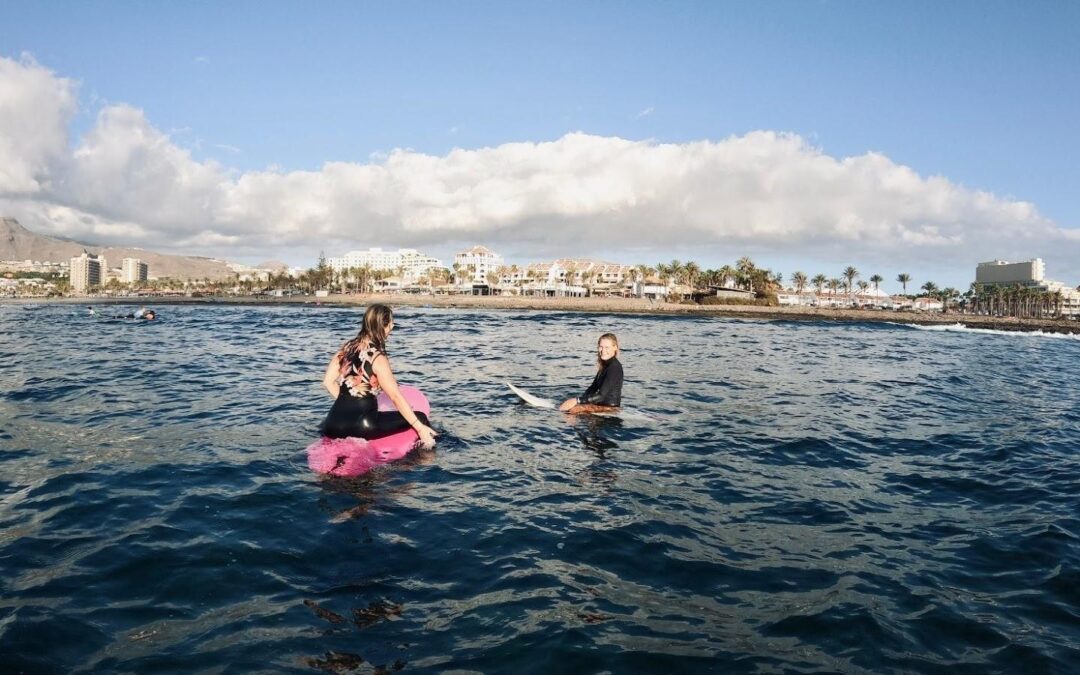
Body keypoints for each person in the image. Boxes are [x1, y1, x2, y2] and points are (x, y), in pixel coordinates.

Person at [320, 304, 437, 448]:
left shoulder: (347, 348)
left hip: (332, 423)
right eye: (391, 323)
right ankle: (425, 454)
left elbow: (327, 382)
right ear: (382, 326)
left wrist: (349, 406)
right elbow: (395, 396)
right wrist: (419, 427)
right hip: (362, 426)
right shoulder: (377, 358)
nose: (393, 326)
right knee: (421, 417)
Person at [559, 333, 623, 414]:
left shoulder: (614, 367)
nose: (603, 350)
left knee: (572, 411)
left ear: (615, 348)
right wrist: (580, 400)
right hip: (602, 405)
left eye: (607, 347)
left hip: (610, 410)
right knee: (570, 405)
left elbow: (601, 395)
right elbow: (593, 388)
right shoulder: (605, 365)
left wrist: (577, 401)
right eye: (601, 347)